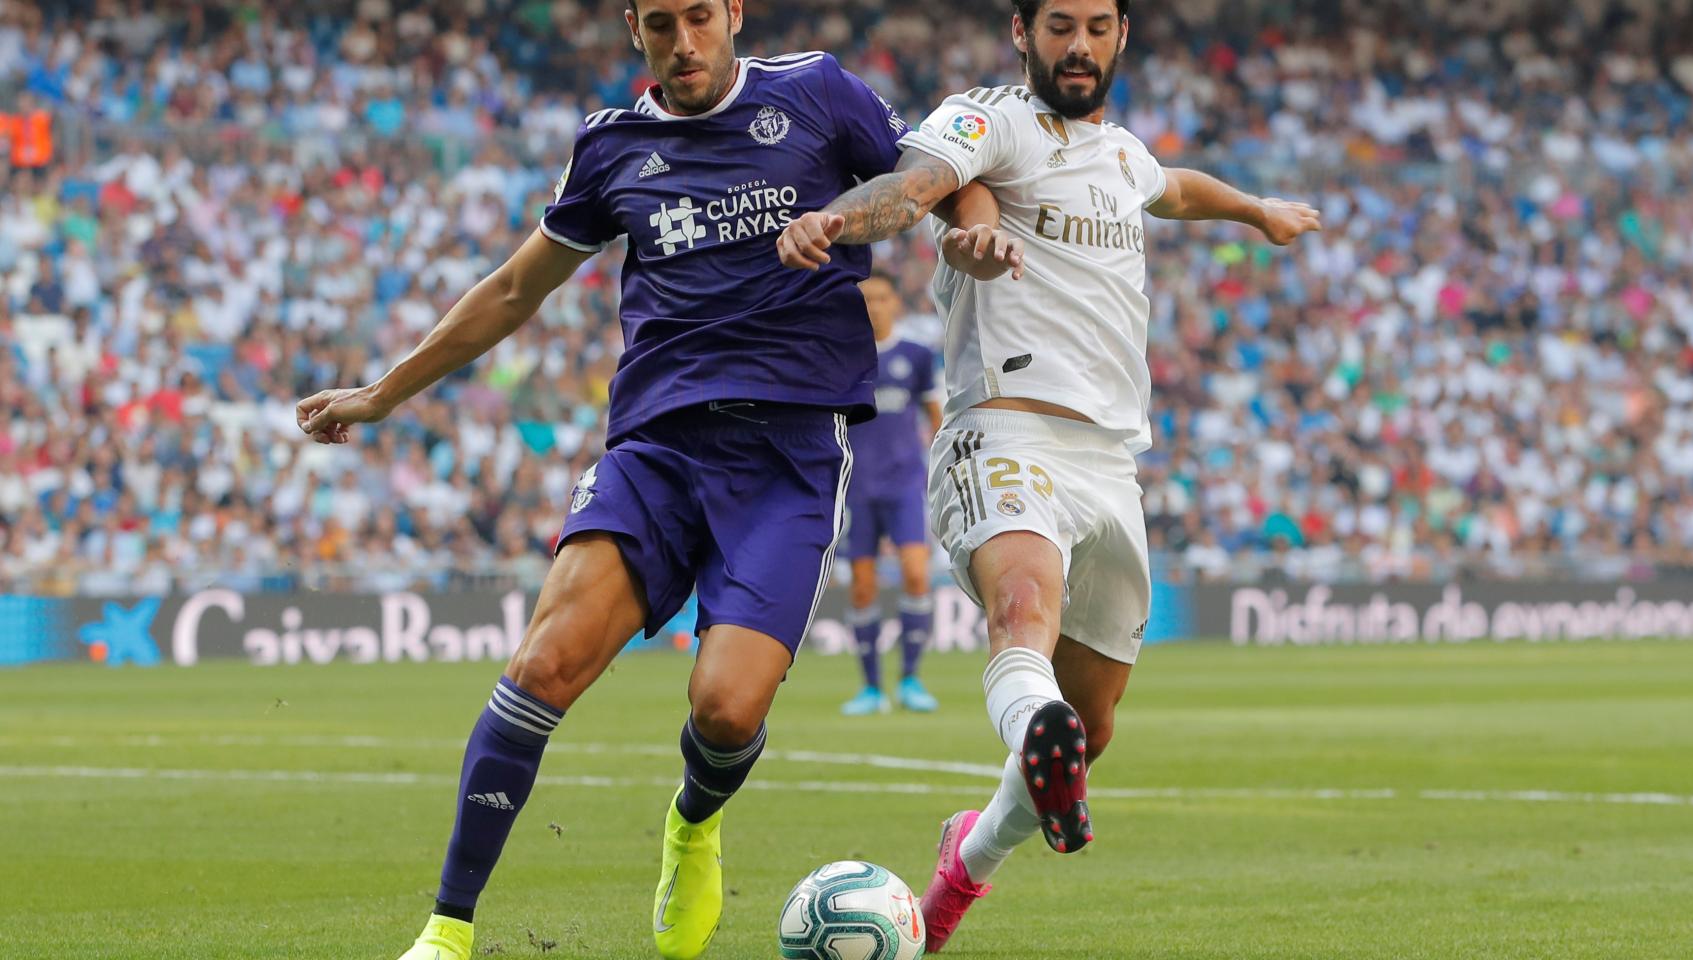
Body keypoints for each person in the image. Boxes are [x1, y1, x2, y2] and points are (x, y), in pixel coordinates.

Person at [296, 2, 1014, 958]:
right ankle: (447, 930)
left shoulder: (816, 92)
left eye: (701, 18)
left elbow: (939, 170)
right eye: (662, 24)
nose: (685, 43)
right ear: (635, 27)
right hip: (657, 449)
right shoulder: (610, 147)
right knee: (540, 668)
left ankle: (692, 822)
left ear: (734, 15)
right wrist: (383, 395)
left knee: (724, 709)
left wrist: (969, 225)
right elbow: (515, 290)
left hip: (790, 457)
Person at [776, 0, 1320, 950]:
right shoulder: (988, 120)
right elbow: (916, 187)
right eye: (1059, 26)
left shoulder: (1121, 153)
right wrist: (833, 219)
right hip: (1005, 427)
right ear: (1022, 32)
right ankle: (1034, 728)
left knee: (1093, 728)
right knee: (1022, 608)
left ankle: (964, 863)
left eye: (1098, 27)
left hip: (1112, 460)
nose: (1079, 46)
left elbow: (1174, 187)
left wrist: (1257, 209)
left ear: (1120, 37)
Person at [840, 271, 944, 716]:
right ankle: (870, 689)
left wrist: (943, 470)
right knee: (863, 587)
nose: (874, 307)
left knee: (917, 575)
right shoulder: (843, 359)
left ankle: (910, 679)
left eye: (881, 298)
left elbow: (936, 416)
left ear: (895, 303)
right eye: (866, 300)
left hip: (904, 485)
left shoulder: (916, 356)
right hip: (857, 488)